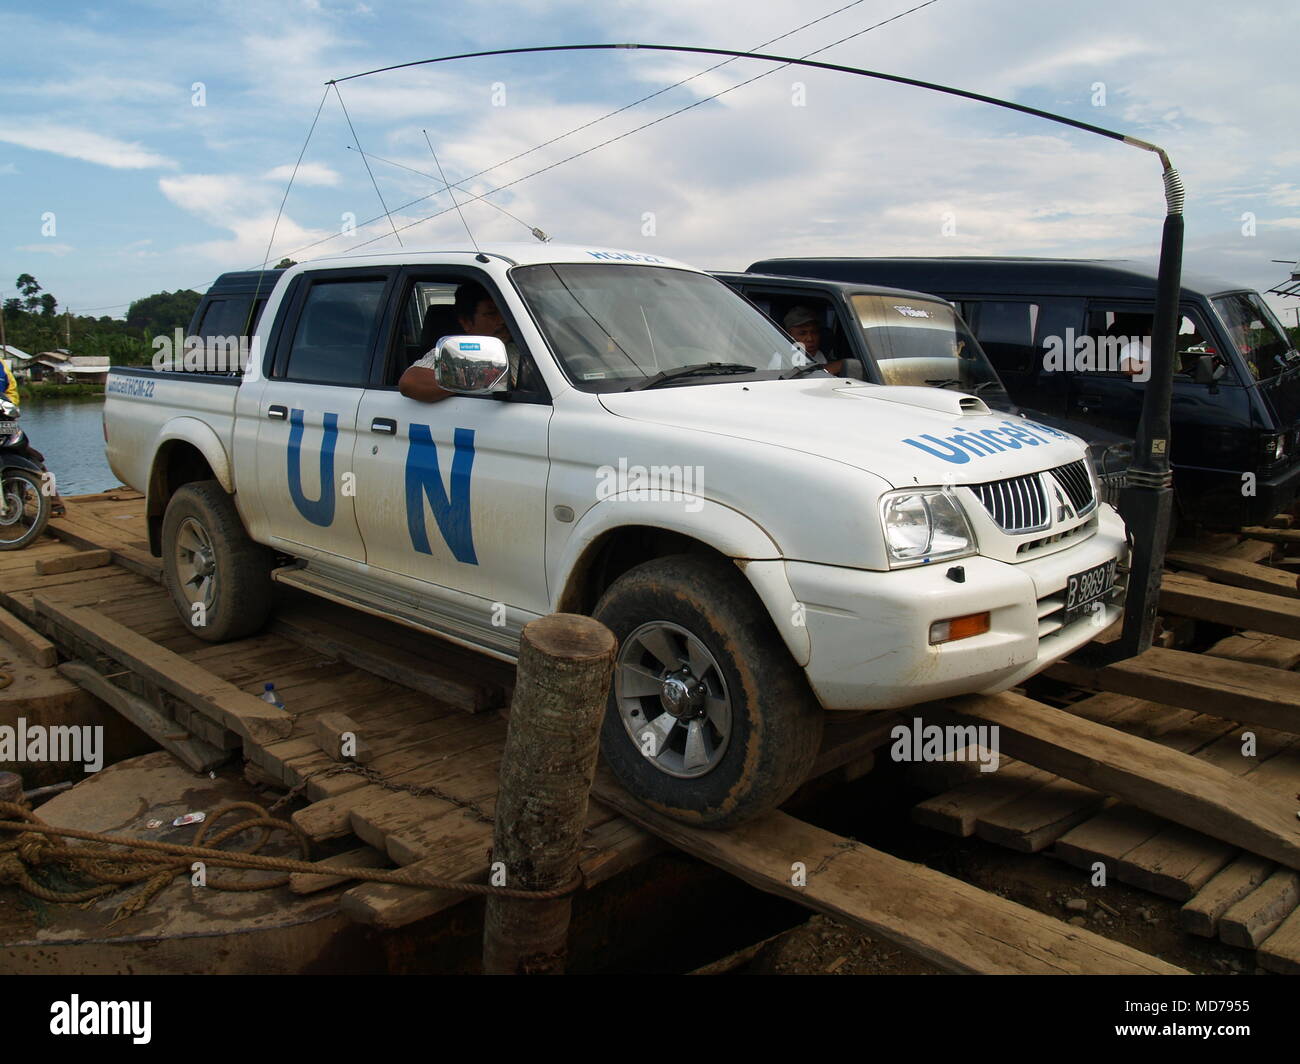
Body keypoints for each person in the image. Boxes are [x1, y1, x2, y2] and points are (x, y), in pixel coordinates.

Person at [399, 283, 540, 402]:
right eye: (491, 313)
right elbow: (410, 382)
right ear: (466, 322)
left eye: (505, 313)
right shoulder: (454, 352)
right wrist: (478, 379)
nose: (502, 320)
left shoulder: (524, 349)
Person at [0, 357, 64, 516]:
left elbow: (11, 390)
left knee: (34, 458)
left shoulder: (0, 364)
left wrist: (7, 407)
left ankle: (53, 501)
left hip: (4, 421)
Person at [783, 305, 844, 375]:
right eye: (802, 333)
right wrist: (831, 368)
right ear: (789, 335)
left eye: (814, 332)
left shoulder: (819, 354)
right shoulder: (782, 358)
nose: (810, 339)